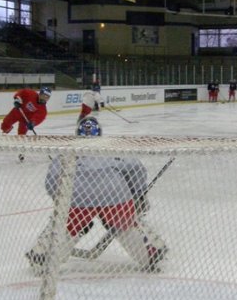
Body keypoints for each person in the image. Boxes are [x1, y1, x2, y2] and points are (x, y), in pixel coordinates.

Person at [25, 116, 168, 274]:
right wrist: (138, 195)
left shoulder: (66, 152)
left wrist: (61, 201)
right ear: (99, 133)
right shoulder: (113, 149)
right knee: (126, 225)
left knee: (66, 225)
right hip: (115, 194)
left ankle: (43, 256)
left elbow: (51, 180)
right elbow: (136, 169)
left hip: (78, 198)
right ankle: (151, 253)